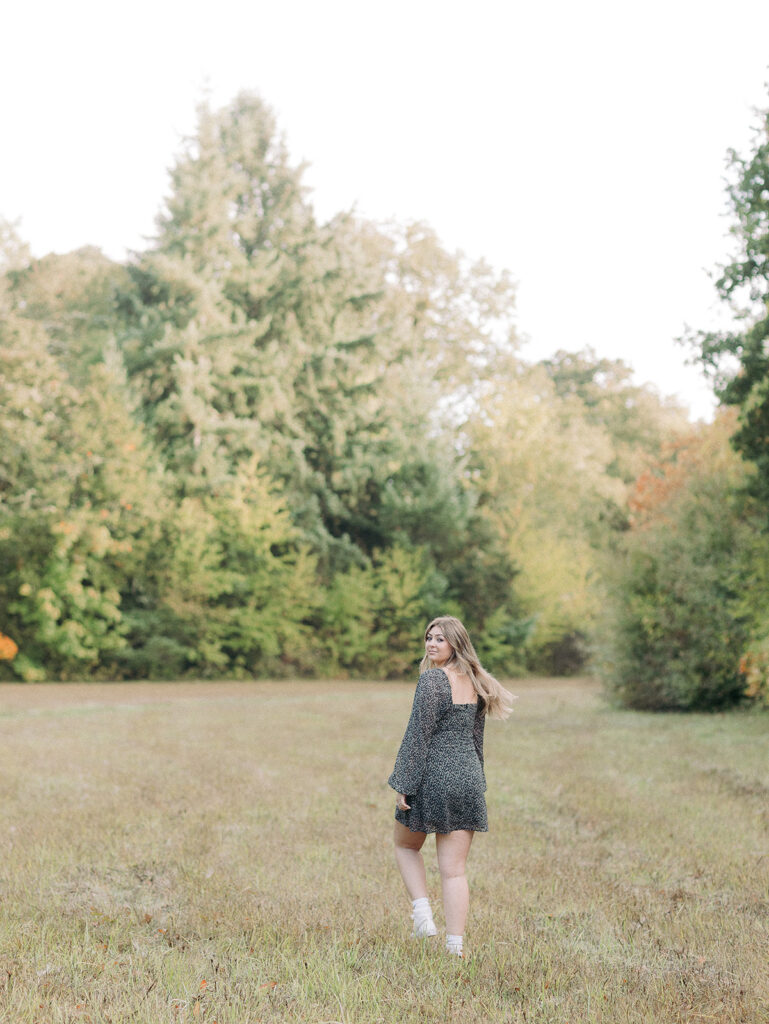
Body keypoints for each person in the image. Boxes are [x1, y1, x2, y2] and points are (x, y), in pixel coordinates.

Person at [388, 616, 515, 957]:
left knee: (405, 847)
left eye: (440, 639)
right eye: (429, 638)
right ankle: (455, 948)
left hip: (434, 777)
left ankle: (422, 915)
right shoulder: (475, 681)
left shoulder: (433, 680)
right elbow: (477, 740)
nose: (431, 644)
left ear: (455, 644)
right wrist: (477, 783)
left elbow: (418, 736)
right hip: (468, 778)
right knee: (454, 871)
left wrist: (404, 783)